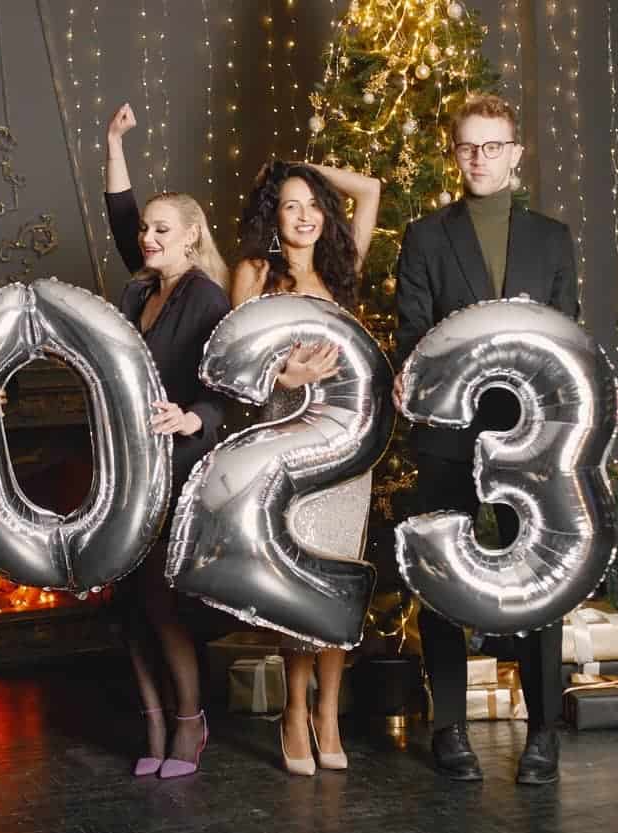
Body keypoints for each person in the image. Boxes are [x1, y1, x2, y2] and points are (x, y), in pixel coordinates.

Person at [392, 93, 577, 785]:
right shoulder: (426, 237)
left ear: (515, 154)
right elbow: (414, 340)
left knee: (541, 582)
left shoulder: (552, 239)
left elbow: (566, 342)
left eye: (493, 145)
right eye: (469, 145)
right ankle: (449, 728)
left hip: (533, 442)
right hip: (448, 437)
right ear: (454, 151)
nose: (480, 157)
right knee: (445, 578)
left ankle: (542, 732)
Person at [231, 159, 380, 776]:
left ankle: (329, 715)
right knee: (299, 584)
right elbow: (235, 365)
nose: (304, 215)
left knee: (338, 578)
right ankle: (295, 711)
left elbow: (369, 189)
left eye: (313, 204)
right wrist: (287, 376)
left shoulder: (341, 275)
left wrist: (305, 170)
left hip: (346, 450)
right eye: (290, 204)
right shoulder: (254, 273)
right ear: (274, 215)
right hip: (284, 439)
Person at [104, 103, 230, 779]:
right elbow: (122, 218)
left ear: (190, 238)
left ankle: (189, 720)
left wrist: (196, 417)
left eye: (162, 229)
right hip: (127, 468)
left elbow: (230, 385)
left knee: (160, 600)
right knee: (127, 607)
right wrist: (114, 143)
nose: (148, 237)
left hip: (176, 468)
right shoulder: (137, 292)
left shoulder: (207, 296)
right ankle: (153, 721)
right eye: (147, 229)